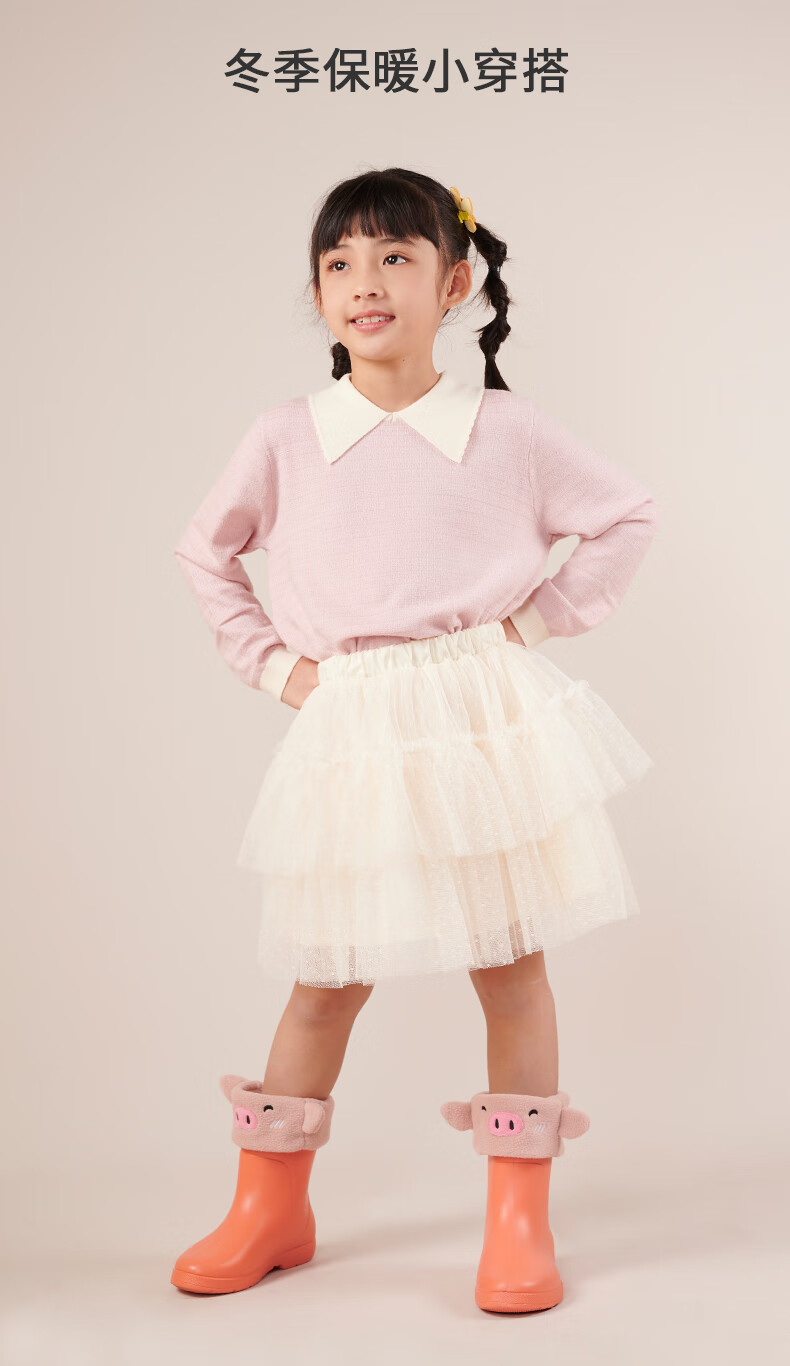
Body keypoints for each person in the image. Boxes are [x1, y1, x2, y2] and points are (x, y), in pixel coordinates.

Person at [169, 168, 660, 1312]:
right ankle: (269, 1206)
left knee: (511, 966)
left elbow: (625, 515)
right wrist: (277, 666)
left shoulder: (507, 430)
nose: (365, 281)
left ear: (454, 282)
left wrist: (530, 623)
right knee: (326, 976)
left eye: (395, 256)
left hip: (479, 723)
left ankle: (518, 1220)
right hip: (355, 727)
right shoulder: (287, 435)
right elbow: (206, 551)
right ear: (317, 294)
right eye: (339, 262)